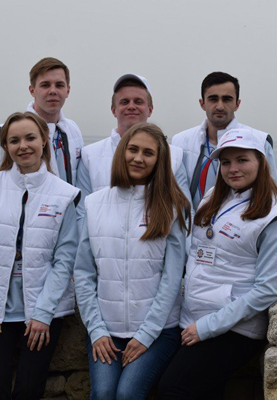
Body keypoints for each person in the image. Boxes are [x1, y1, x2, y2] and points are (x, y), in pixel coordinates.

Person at [158, 128, 277, 399]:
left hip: (234, 327)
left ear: (261, 162)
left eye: (242, 160)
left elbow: (268, 289)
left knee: (173, 388)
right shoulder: (214, 197)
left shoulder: (276, 219)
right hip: (196, 316)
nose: (233, 169)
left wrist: (207, 327)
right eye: (225, 162)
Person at [0, 111, 80, 399]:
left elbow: (65, 259)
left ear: (44, 140)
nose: (23, 146)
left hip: (43, 310)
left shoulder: (65, 194)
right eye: (14, 140)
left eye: (30, 138)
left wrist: (43, 313)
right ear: (5, 145)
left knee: (30, 389)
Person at [75, 122, 190, 400]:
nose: (138, 158)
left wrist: (146, 334)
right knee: (103, 393)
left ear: (159, 160)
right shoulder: (94, 204)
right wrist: (96, 330)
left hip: (158, 330)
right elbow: (83, 273)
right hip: (107, 330)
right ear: (122, 152)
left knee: (127, 394)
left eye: (148, 153)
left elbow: (172, 278)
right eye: (133, 149)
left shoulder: (172, 207)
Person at [76, 74, 190, 227]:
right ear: (113, 110)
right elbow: (81, 213)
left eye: (138, 102)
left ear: (150, 110)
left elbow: (184, 211)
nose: (131, 106)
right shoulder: (89, 155)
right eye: (124, 102)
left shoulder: (174, 156)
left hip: (154, 240)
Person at [172, 72, 277, 210]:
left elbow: (272, 195)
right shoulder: (180, 142)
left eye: (227, 99)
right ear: (202, 103)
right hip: (190, 222)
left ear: (237, 104)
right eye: (213, 99)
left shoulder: (260, 141)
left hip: (239, 221)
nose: (220, 106)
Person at [0, 57, 84, 185]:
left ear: (68, 90)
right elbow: (4, 183)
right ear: (32, 90)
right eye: (45, 85)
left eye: (59, 85)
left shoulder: (74, 129)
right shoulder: (6, 132)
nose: (53, 91)